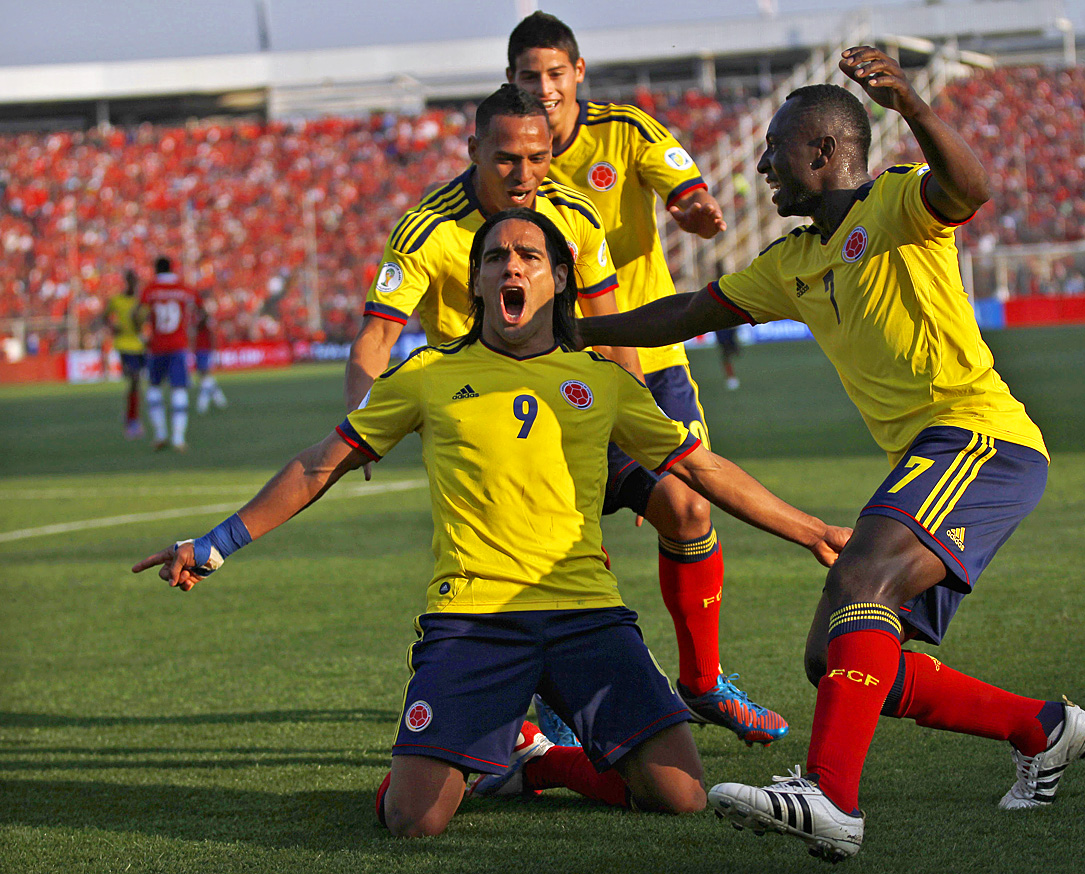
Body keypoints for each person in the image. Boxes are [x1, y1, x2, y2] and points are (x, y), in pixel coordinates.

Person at [133, 209, 851, 839]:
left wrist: (815, 532)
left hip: (587, 616)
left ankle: (539, 763)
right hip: (474, 620)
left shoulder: (602, 381)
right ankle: (479, 753)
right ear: (475, 284)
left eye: (529, 256)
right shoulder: (426, 375)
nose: (511, 266)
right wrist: (217, 543)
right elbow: (321, 463)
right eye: (494, 258)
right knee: (412, 821)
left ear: (559, 279)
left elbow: (704, 470)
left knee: (683, 797)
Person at [579, 47, 1085, 861]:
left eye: (774, 151)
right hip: (929, 453)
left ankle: (830, 798)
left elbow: (971, 188)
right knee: (837, 655)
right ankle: (1041, 728)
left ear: (821, 153)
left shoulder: (896, 202)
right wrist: (573, 332)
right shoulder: (792, 262)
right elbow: (680, 313)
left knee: (861, 580)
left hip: (980, 438)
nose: (760, 167)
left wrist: (915, 107)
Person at [507, 12, 787, 746]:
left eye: (555, 74)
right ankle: (560, 697)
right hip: (556, 374)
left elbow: (683, 186)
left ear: (578, 74)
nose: (543, 89)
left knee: (691, 509)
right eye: (529, 76)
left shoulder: (626, 130)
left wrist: (694, 209)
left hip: (649, 360)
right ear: (511, 81)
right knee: (566, 536)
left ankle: (703, 681)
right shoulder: (510, 158)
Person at [343, 84, 638, 440]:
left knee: (683, 498)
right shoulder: (428, 229)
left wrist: (639, 417)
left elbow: (610, 331)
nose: (524, 174)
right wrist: (361, 426)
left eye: (537, 157)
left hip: (565, 397)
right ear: (474, 151)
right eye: (507, 159)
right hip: (471, 410)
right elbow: (377, 337)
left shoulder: (575, 216)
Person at [138, 256, 200, 452]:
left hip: (156, 347)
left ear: (155, 269)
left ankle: (160, 434)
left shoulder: (150, 290)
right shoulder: (183, 288)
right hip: (178, 346)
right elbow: (200, 309)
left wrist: (142, 334)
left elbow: (138, 314)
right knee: (179, 390)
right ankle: (179, 438)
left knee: (154, 389)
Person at [104, 269, 146, 438]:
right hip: (123, 345)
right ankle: (132, 421)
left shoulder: (140, 302)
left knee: (136, 383)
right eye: (130, 280)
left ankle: (131, 411)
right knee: (134, 378)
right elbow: (104, 316)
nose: (132, 284)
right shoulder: (116, 300)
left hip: (139, 346)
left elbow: (140, 324)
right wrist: (112, 327)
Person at [193, 302, 228, 414]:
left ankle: (203, 402)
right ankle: (219, 398)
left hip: (205, 350)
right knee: (203, 375)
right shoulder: (196, 320)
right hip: (199, 350)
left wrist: (215, 351)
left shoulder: (207, 321)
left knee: (204, 374)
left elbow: (213, 336)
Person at [714, 327, 741, 391]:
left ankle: (731, 377)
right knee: (726, 355)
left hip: (728, 328)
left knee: (728, 355)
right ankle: (731, 377)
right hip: (722, 330)